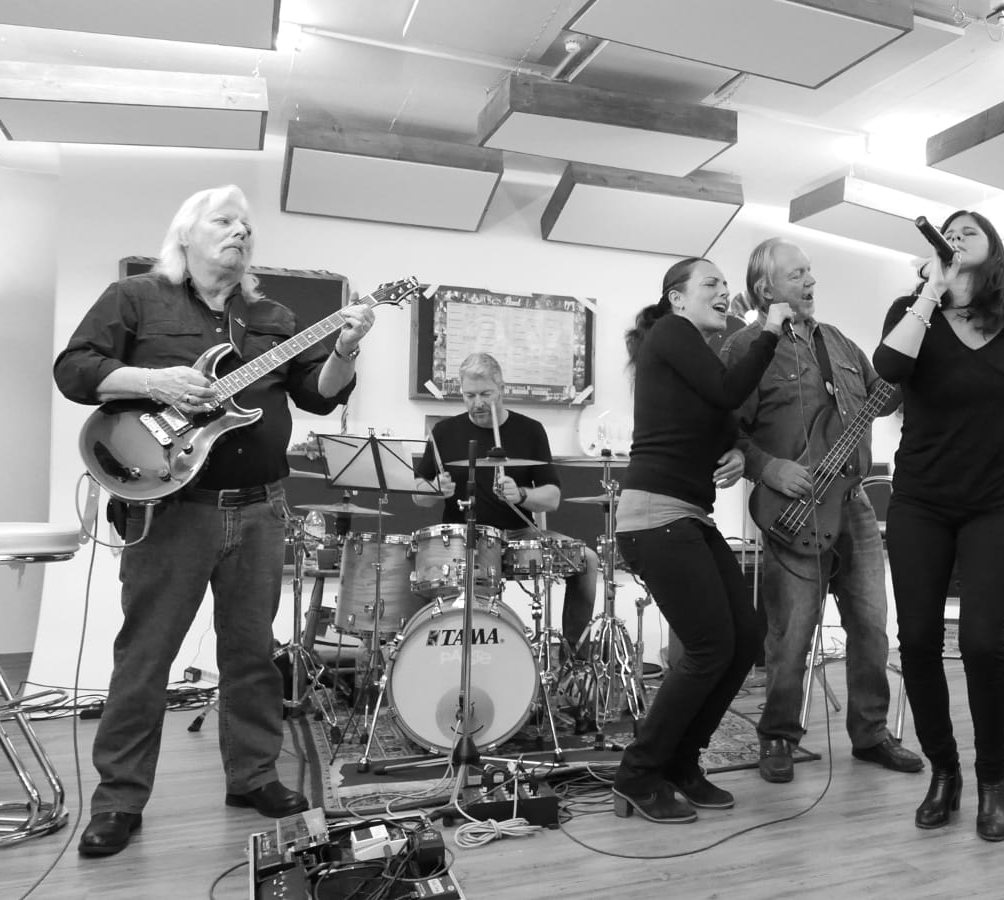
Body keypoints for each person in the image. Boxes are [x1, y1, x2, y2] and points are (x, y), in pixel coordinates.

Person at [54, 185, 374, 857]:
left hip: (260, 506)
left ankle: (253, 776)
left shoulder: (274, 317)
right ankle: (118, 801)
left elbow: (318, 397)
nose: (240, 232)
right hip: (171, 507)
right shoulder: (137, 298)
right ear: (186, 234)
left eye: (246, 226)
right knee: (146, 656)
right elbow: (75, 370)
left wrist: (345, 348)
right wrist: (156, 382)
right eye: (225, 222)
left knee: (252, 653)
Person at [720, 238, 922, 783]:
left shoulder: (839, 342)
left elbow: (886, 395)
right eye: (796, 275)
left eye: (810, 272)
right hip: (793, 507)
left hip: (855, 503)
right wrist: (767, 468)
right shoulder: (745, 348)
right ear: (764, 288)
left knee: (872, 625)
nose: (810, 282)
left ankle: (871, 733)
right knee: (792, 633)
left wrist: (919, 333)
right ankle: (779, 736)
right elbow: (724, 426)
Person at [873, 210, 1004, 842]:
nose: (961, 235)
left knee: (981, 644)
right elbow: (888, 370)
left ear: (994, 249)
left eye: (973, 229)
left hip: (998, 504)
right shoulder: (910, 310)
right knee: (916, 640)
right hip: (921, 501)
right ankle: (944, 770)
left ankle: (993, 780)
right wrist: (930, 292)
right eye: (953, 229)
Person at [610, 256, 792, 824]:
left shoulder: (694, 352)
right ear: (676, 298)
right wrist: (768, 328)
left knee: (744, 638)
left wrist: (736, 450)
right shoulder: (671, 332)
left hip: (688, 515)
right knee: (711, 646)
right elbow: (729, 389)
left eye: (724, 284)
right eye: (710, 283)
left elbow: (719, 416)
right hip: (655, 515)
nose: (723, 291)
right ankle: (638, 774)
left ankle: (682, 764)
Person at [412, 353, 599, 657]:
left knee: (587, 561)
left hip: (520, 534)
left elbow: (552, 497)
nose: (477, 403)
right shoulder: (444, 432)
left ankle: (574, 660)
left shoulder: (530, 430)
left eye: (485, 394)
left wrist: (522, 495)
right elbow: (417, 495)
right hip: (466, 538)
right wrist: (436, 489)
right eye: (469, 395)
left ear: (501, 389)